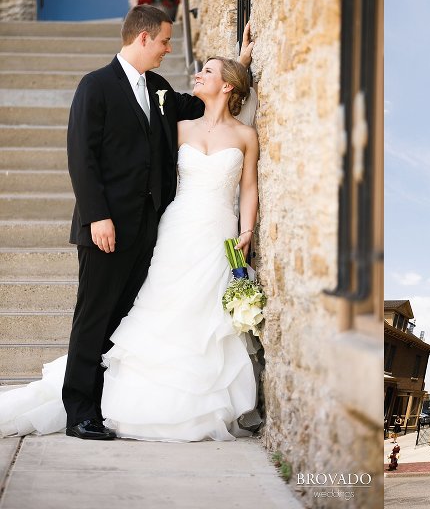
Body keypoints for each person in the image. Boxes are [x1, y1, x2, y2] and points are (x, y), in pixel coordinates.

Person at [0, 56, 259, 442]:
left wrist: (248, 229)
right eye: (200, 68)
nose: (196, 74)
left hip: (219, 231)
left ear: (226, 87)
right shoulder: (179, 125)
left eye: (207, 72)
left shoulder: (245, 136)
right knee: (159, 307)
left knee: (203, 315)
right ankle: (120, 401)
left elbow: (250, 186)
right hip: (175, 228)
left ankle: (197, 405)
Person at [61, 5, 253, 440]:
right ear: (144, 38)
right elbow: (81, 156)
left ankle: (106, 404)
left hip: (151, 231)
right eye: (166, 40)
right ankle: (79, 414)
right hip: (105, 227)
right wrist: (97, 216)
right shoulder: (96, 86)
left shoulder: (161, 89)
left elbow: (211, 104)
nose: (169, 48)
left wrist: (240, 65)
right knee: (93, 317)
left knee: (123, 321)